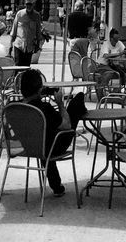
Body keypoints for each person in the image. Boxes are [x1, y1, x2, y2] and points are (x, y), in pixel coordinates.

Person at [18, 70, 87, 198]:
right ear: (39, 89)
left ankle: (57, 187)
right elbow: (66, 125)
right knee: (78, 100)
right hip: (54, 146)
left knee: (46, 136)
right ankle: (84, 113)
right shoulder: (43, 108)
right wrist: (60, 103)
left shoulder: (14, 106)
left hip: (28, 146)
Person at [10, 0, 41, 66]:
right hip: (19, 45)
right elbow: (14, 30)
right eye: (27, 4)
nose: (28, 6)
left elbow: (38, 31)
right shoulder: (20, 14)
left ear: (33, 5)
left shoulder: (36, 16)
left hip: (29, 46)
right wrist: (10, 45)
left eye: (30, 4)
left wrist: (38, 45)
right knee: (17, 66)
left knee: (26, 67)